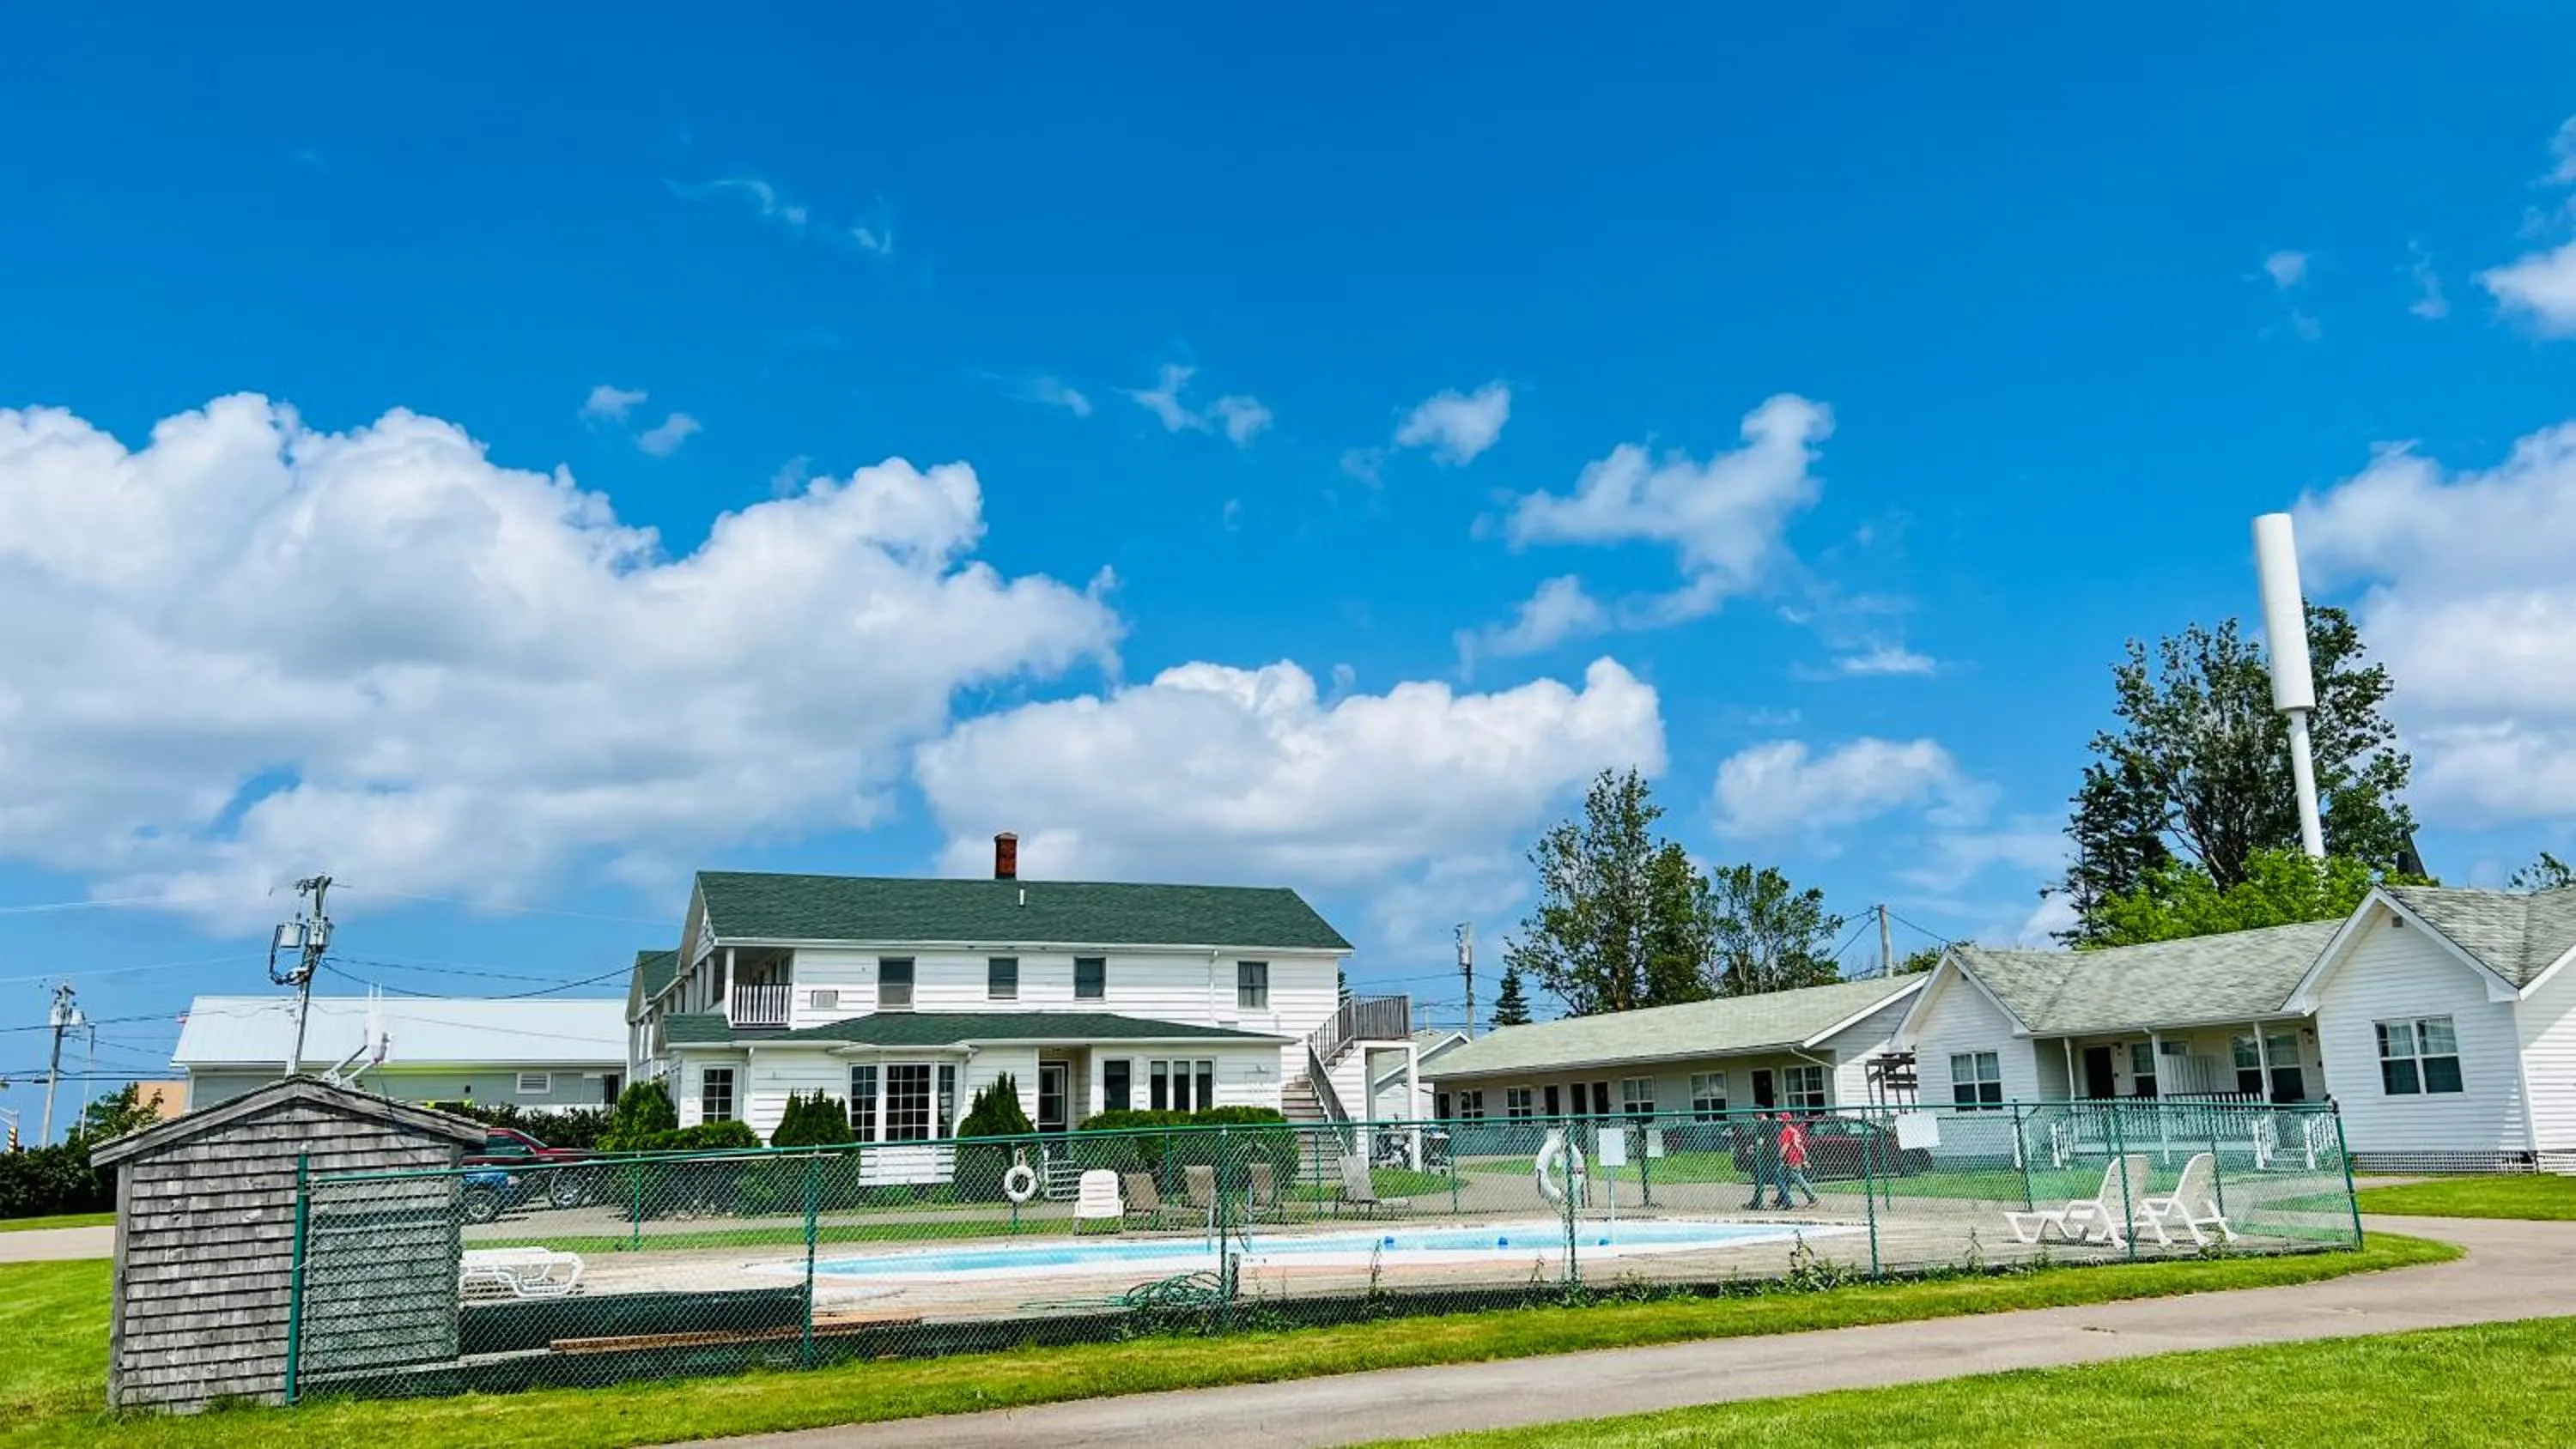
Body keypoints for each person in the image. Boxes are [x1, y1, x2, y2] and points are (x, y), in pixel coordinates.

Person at [1777, 1112, 1820, 1209]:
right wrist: (1804, 1158)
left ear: (1785, 1121)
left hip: (1791, 1159)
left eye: (1780, 1121)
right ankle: (1781, 1200)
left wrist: (1779, 1157)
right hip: (1796, 1158)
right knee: (1785, 1180)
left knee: (1798, 1180)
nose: (1778, 1123)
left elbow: (1785, 1146)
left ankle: (1813, 1198)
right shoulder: (1794, 1130)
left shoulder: (1786, 1131)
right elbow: (1801, 1146)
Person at [1741, 1111, 1778, 1210]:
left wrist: (1753, 1148)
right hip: (1771, 1154)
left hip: (1765, 1155)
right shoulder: (1771, 1123)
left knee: (1760, 1179)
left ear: (1760, 1113)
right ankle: (1757, 1202)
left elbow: (1761, 1140)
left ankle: (1758, 1203)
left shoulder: (1763, 1124)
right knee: (1773, 1178)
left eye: (1755, 1114)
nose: (1754, 1116)